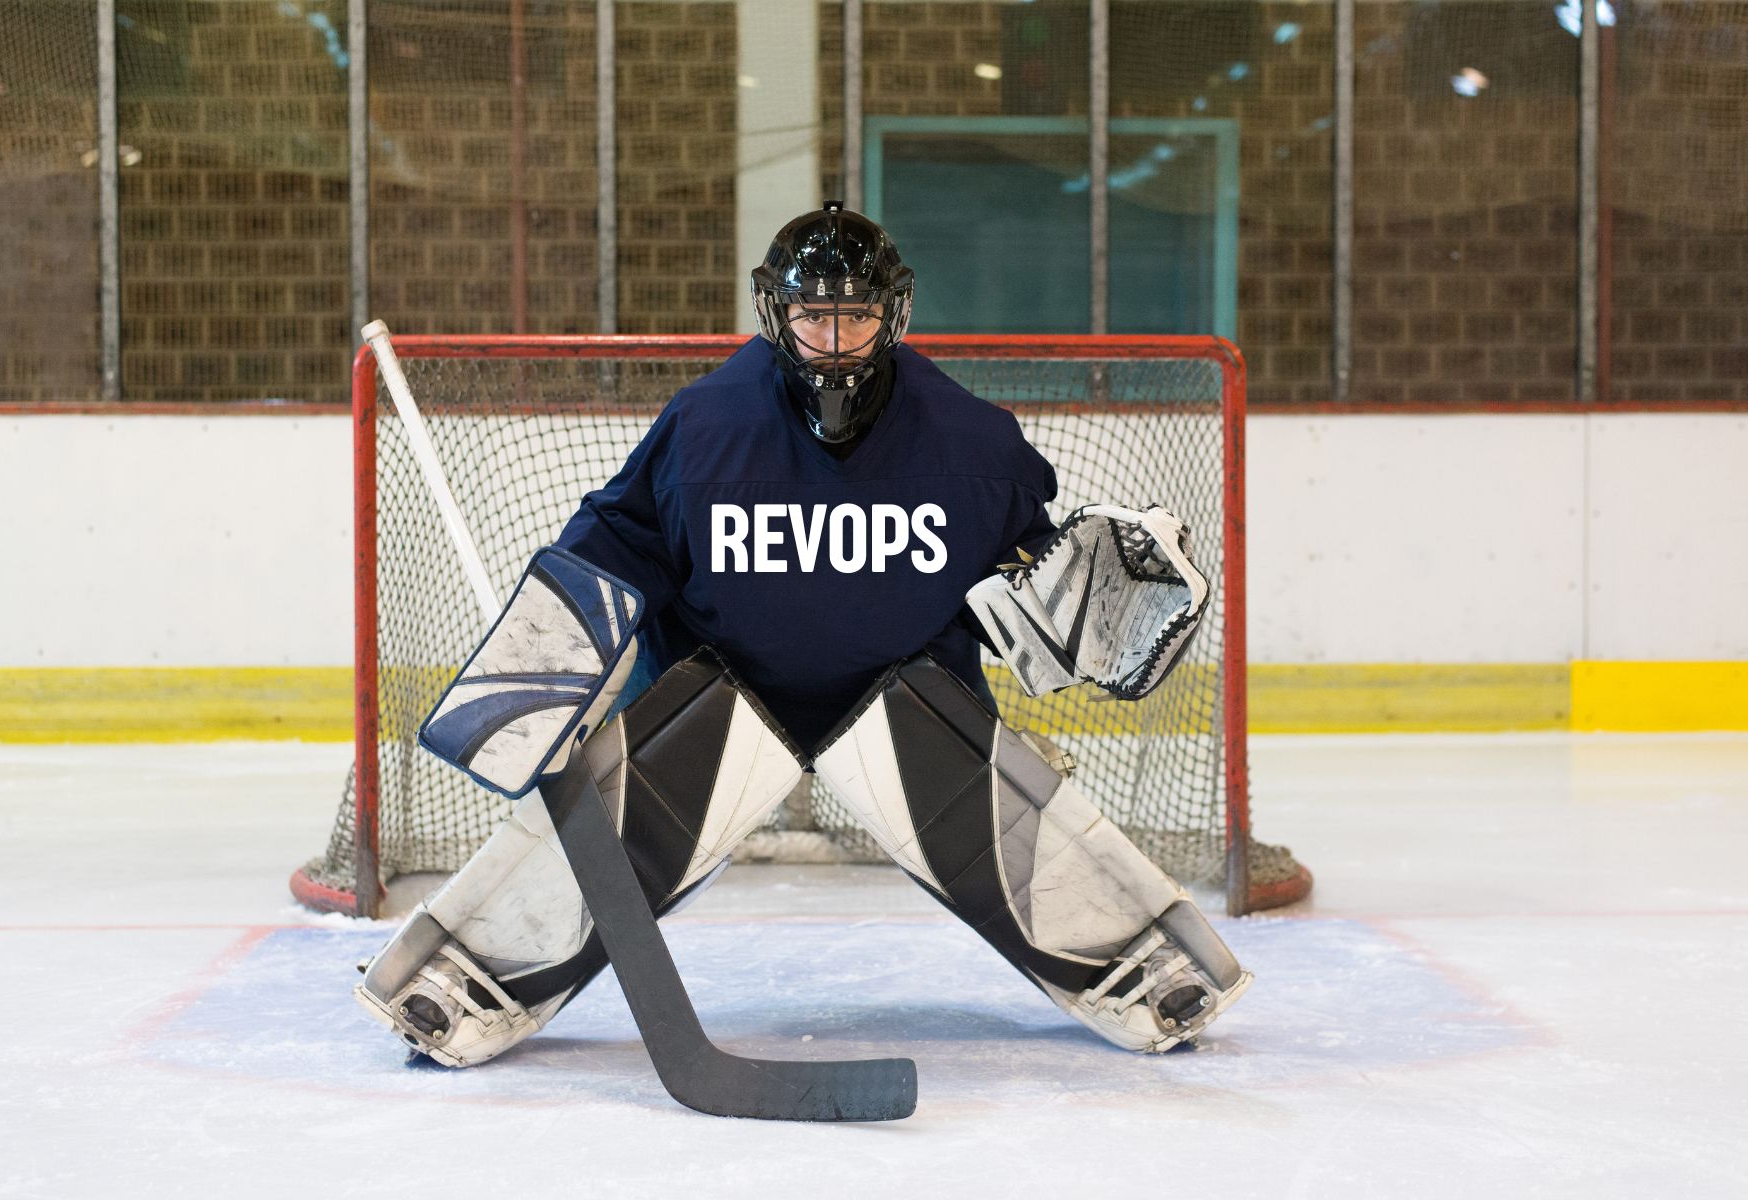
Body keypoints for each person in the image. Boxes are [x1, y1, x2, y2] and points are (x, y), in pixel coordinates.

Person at [353, 202, 1250, 1068]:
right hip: (721, 699)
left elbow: (1034, 572)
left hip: (912, 711)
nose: (829, 339)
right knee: (611, 831)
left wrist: (1096, 595)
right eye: (810, 315)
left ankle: (1148, 972)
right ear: (775, 313)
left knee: (1009, 826)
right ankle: (461, 980)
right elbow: (619, 542)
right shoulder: (706, 427)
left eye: (852, 316)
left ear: (890, 314)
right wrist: (544, 673)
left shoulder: (973, 442)